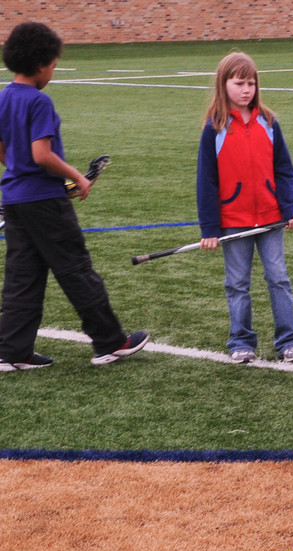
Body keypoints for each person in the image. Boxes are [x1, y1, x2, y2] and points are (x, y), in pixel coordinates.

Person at [0, 22, 150, 372]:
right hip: (45, 202)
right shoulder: (39, 102)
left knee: (23, 276)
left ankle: (11, 351)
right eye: (53, 64)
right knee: (77, 270)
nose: (53, 71)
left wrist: (17, 169)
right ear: (40, 64)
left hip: (15, 198)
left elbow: (5, 150)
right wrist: (77, 176)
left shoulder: (3, 97)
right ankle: (110, 342)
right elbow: (42, 155)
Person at [196, 52, 293, 365]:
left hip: (271, 218)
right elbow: (207, 181)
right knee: (237, 283)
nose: (246, 89)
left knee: (279, 278)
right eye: (239, 83)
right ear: (224, 84)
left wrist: (288, 208)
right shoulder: (213, 128)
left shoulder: (269, 123)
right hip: (234, 220)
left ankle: (289, 341)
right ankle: (241, 340)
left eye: (251, 83)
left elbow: (284, 169)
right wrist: (210, 228)